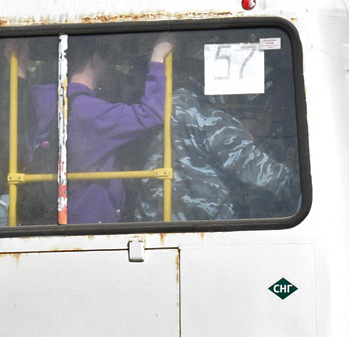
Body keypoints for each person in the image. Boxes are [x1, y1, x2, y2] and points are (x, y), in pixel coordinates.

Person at [126, 54, 298, 222]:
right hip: (201, 221)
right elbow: (248, 163)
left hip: (152, 218)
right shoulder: (206, 113)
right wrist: (293, 183)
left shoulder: (156, 110)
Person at [28, 37, 173, 224]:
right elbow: (152, 114)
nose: (110, 66)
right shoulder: (89, 111)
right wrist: (158, 56)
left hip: (53, 219)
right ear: (95, 58)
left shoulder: (44, 105)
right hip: (88, 223)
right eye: (109, 57)